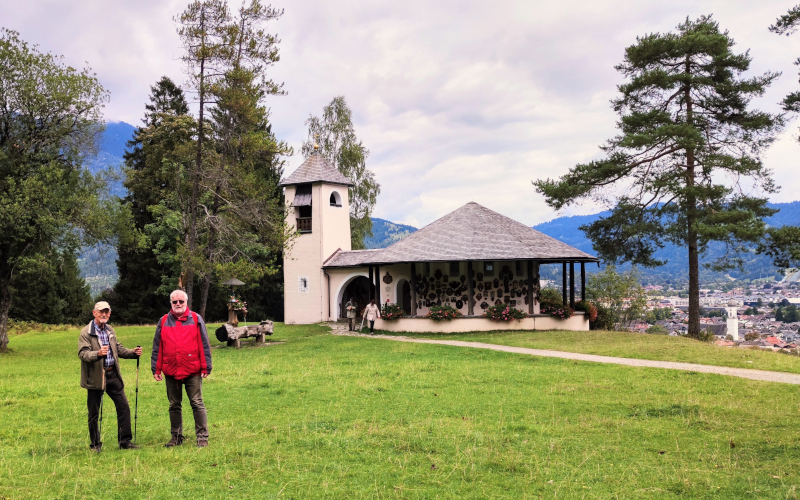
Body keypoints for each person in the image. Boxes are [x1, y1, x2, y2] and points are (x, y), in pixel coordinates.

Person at [78, 301, 143, 452]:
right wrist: (97, 354)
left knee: (123, 407)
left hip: (112, 374)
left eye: (106, 312)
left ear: (110, 314)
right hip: (95, 376)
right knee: (94, 413)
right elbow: (82, 354)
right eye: (101, 311)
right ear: (94, 313)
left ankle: (125, 442)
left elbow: (117, 348)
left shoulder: (109, 330)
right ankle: (95, 445)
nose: (104, 314)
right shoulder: (86, 332)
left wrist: (133, 353)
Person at [151, 289, 213, 448]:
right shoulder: (163, 321)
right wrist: (156, 369)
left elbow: (204, 343)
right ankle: (176, 436)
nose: (178, 304)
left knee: (197, 402)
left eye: (181, 301)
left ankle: (202, 437)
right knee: (174, 404)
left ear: (186, 303)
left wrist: (206, 366)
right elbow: (158, 347)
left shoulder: (195, 319)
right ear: (171, 303)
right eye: (175, 302)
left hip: (192, 369)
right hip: (171, 369)